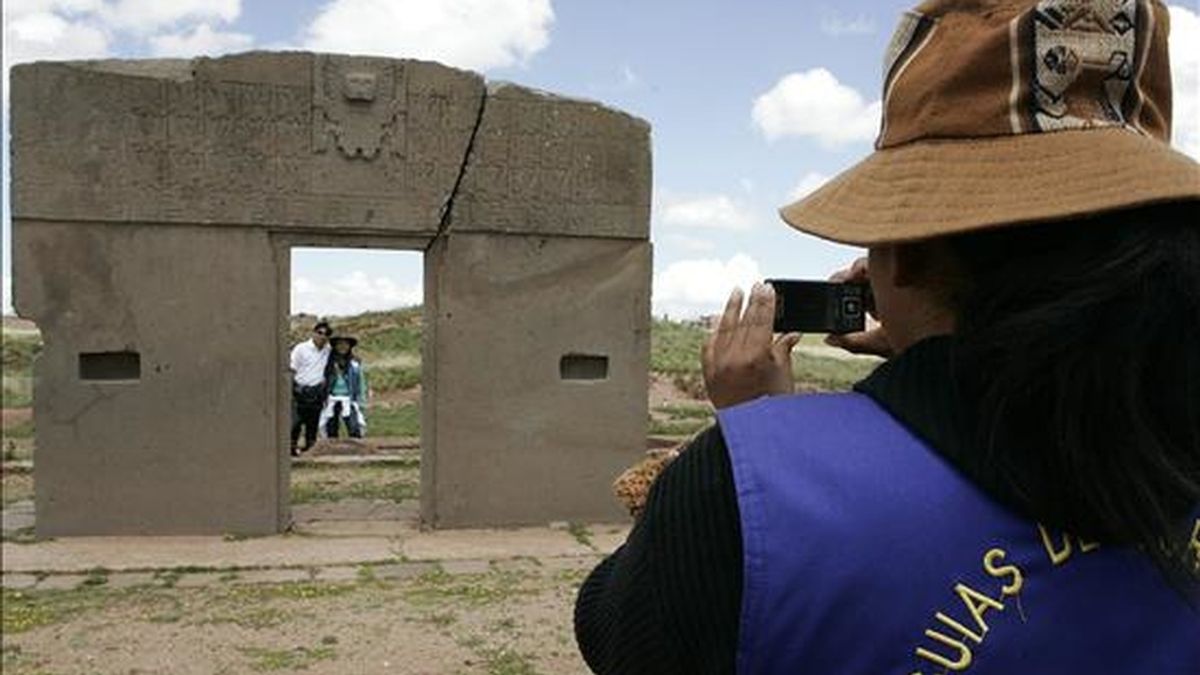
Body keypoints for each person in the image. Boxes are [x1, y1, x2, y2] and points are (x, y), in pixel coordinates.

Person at [574, 1, 1199, 673]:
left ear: (899, 250)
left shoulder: (745, 488)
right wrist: (936, 364)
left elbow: (616, 625)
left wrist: (758, 432)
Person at [289, 320, 332, 456]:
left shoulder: (327, 350)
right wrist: (291, 390)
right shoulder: (301, 349)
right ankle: (291, 450)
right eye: (320, 333)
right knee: (295, 423)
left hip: (317, 392)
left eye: (326, 334)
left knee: (312, 425)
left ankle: (309, 452)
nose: (322, 336)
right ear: (313, 333)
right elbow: (292, 370)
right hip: (300, 390)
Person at [319, 335, 368, 439]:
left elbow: (360, 382)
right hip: (332, 397)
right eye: (340, 344)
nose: (343, 347)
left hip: (348, 398)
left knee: (354, 426)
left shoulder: (354, 363)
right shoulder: (328, 362)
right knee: (331, 427)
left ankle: (356, 449)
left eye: (346, 344)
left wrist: (361, 400)